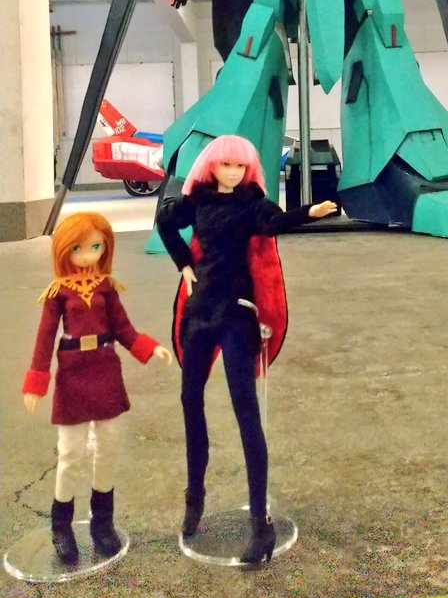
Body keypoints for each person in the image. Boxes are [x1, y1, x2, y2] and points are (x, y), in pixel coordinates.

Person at [156, 134, 337, 563]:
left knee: (246, 409)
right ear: (211, 166)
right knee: (190, 402)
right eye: (227, 165)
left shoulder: (251, 203)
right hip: (200, 314)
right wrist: (183, 263)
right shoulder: (197, 201)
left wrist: (308, 213)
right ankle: (194, 497)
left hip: (237, 314)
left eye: (241, 166)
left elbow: (276, 222)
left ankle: (261, 522)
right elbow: (165, 220)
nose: (234, 172)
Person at [22, 212, 172, 566]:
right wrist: (37, 381)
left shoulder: (107, 288)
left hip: (106, 371)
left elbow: (124, 329)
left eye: (95, 246)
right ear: (64, 249)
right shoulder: (58, 293)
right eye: (78, 248)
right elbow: (45, 338)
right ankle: (61, 526)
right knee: (71, 453)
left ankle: (102, 523)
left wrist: (149, 347)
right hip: (73, 375)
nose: (88, 255)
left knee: (108, 448)